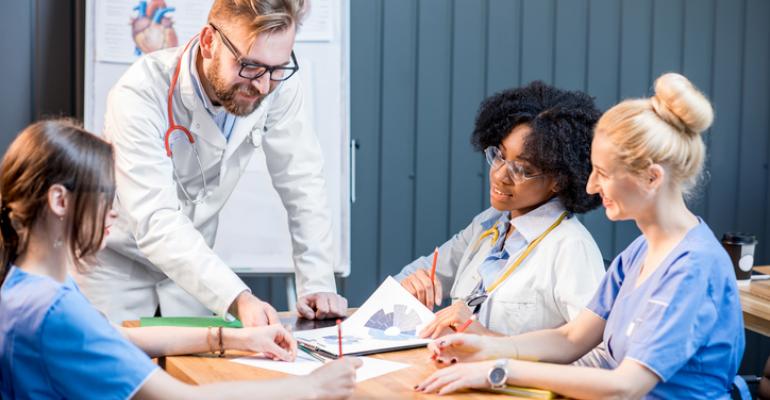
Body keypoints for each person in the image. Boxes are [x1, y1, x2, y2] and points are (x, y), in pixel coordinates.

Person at [416, 73, 745, 399]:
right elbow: (572, 338)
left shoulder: (693, 268)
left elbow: (625, 387)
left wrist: (499, 369)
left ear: (651, 177)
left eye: (602, 173)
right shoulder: (640, 252)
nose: (590, 187)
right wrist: (486, 346)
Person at [0, 119, 361, 400]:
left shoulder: (25, 288)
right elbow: (181, 396)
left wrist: (237, 338)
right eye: (105, 197)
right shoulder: (54, 310)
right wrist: (312, 387)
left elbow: (117, 338)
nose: (114, 213)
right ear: (60, 201)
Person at [76, 0, 347, 326]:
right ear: (208, 42)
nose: (262, 86)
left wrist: (317, 281)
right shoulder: (141, 92)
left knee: (194, 372)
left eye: (277, 69)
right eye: (249, 66)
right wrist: (238, 298)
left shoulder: (277, 84)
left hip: (194, 277)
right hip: (117, 267)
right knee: (120, 371)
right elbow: (156, 219)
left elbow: (302, 181)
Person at [395, 81, 606, 341]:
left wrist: (484, 337)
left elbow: (598, 354)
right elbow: (416, 275)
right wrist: (409, 286)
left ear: (559, 180)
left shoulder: (571, 247)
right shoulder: (490, 223)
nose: (499, 175)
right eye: (499, 155)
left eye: (522, 169)